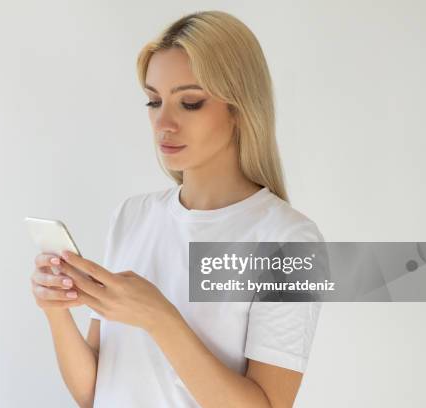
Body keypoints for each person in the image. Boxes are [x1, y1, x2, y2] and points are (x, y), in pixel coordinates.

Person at [31, 10, 324, 408]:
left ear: (239, 109)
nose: (163, 123)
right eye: (154, 101)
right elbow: (94, 393)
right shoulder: (132, 217)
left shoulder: (289, 242)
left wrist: (159, 319)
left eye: (189, 103)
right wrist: (56, 312)